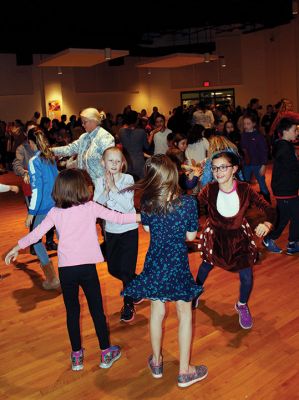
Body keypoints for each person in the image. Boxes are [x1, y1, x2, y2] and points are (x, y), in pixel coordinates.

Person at [5, 168, 140, 372]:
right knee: (97, 311)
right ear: (80, 189)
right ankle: (105, 352)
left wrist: (17, 246)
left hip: (67, 270)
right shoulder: (90, 207)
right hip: (87, 269)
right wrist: (144, 217)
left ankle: (77, 356)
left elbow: (36, 234)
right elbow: (119, 218)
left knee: (72, 312)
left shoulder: (55, 213)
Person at [123, 154, 208, 388]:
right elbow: (190, 236)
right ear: (173, 174)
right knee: (185, 313)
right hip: (177, 263)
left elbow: (149, 230)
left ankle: (158, 363)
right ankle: (184, 371)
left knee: (157, 311)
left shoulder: (148, 204)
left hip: (156, 262)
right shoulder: (189, 203)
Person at [193, 150, 276, 329]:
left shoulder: (245, 189)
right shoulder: (210, 190)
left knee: (246, 277)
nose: (218, 172)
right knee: (206, 265)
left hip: (239, 239)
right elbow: (194, 207)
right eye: (215, 168)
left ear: (234, 169)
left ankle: (242, 305)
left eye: (223, 167)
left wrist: (267, 224)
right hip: (215, 237)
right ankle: (195, 290)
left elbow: (269, 209)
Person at [94, 147, 140, 322]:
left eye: (117, 161)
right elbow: (97, 206)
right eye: (110, 160)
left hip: (129, 230)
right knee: (113, 268)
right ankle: (138, 285)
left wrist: (113, 187)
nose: (114, 164)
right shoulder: (99, 180)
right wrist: (106, 190)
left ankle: (128, 305)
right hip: (111, 231)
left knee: (127, 271)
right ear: (103, 162)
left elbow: (128, 206)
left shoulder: (128, 179)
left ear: (123, 164)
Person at [26, 128, 60, 289]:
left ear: (31, 143)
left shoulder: (34, 161)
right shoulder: (50, 157)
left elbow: (37, 189)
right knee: (65, 240)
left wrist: (31, 213)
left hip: (43, 207)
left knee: (35, 239)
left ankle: (52, 279)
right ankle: (73, 272)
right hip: (58, 204)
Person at [262, 118, 299, 255]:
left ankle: (292, 243)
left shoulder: (284, 145)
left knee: (288, 215)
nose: (296, 133)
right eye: (295, 130)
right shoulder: (284, 147)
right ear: (285, 131)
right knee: (289, 216)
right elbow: (292, 168)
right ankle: (273, 239)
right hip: (285, 189)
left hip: (286, 188)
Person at [51, 108, 114, 185]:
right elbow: (69, 149)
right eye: (82, 122)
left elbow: (111, 164)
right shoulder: (84, 137)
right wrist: (50, 151)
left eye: (85, 122)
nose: (82, 125)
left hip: (101, 184)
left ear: (93, 121)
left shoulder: (106, 137)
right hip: (84, 183)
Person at [240, 113, 271, 203]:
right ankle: (246, 203)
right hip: (246, 164)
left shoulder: (259, 136)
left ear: (254, 124)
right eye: (244, 123)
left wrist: (264, 165)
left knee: (262, 184)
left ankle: (268, 205)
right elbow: (243, 149)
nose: (245, 126)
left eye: (248, 123)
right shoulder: (243, 135)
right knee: (245, 184)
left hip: (258, 164)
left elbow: (264, 151)